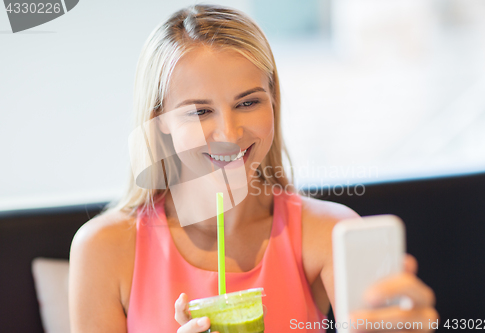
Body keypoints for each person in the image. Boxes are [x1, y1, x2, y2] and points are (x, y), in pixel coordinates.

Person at [68, 4, 438, 333]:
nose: (229, 132)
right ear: (160, 120)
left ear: (272, 102)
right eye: (200, 111)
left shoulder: (329, 233)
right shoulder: (103, 250)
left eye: (247, 103)